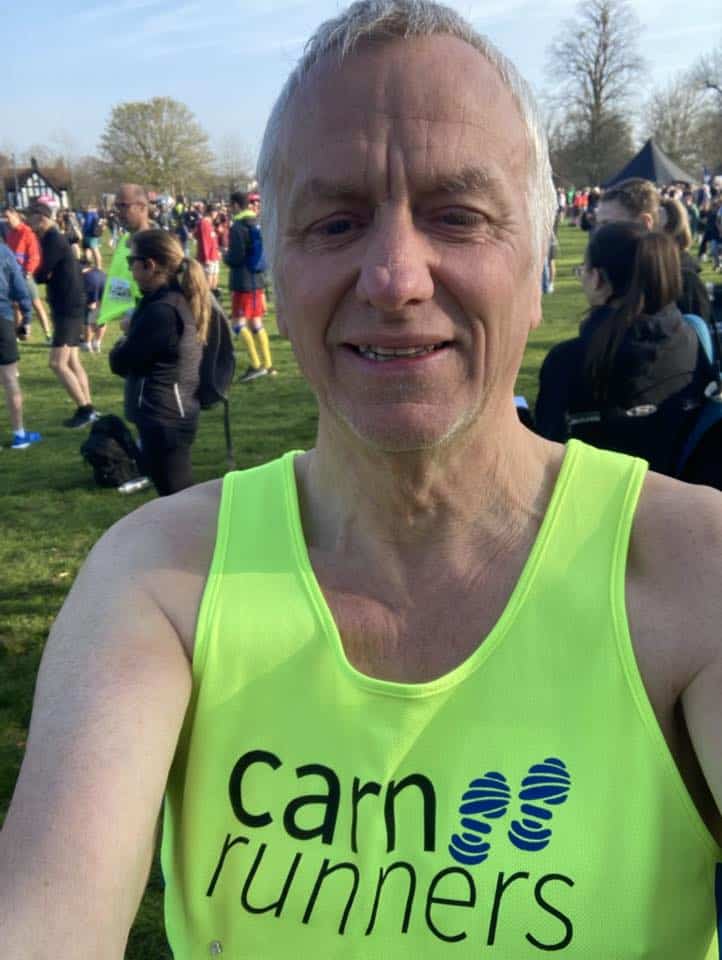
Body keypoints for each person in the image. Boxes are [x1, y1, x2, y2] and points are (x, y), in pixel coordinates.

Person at [1, 4, 721, 959]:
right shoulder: (160, 580)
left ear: (542, 259)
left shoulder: (691, 570)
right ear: (280, 271)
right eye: (335, 221)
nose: (393, 276)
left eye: (459, 215)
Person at [534, 222, 712, 472]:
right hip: (687, 488)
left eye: (583, 269)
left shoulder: (568, 360)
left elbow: (546, 453)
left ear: (597, 279)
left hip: (600, 491)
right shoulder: (693, 339)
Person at [108, 229, 208, 496]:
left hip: (165, 415)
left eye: (132, 261)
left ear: (150, 265)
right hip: (168, 409)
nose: (130, 269)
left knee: (177, 495)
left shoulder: (162, 310)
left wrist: (126, 335)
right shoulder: (166, 300)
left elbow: (122, 362)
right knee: (173, 492)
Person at [596, 177, 712, 321]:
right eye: (598, 224)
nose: (599, 232)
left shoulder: (682, 282)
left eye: (608, 224)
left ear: (645, 222)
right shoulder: (619, 274)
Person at [29, 202, 98, 429]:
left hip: (68, 307)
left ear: (42, 218)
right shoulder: (52, 238)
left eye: (31, 217)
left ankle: (85, 410)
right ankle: (89, 408)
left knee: (57, 363)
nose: (29, 222)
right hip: (70, 304)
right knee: (72, 360)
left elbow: (40, 273)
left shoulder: (53, 240)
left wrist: (39, 275)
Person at [225, 189, 276, 381]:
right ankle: (268, 365)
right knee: (256, 323)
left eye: (231, 205)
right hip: (257, 280)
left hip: (243, 282)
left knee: (237, 325)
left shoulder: (238, 227)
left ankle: (255, 365)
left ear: (236, 205)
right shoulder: (256, 222)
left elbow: (236, 257)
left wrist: (226, 257)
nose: (230, 209)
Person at [0, 243, 41, 448]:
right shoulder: (4, 252)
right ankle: (19, 433)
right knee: (9, 378)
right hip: (2, 318)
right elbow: (19, 285)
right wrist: (26, 316)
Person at [97, 184, 152, 331]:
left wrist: (136, 317)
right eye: (116, 206)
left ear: (142, 206)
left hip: (146, 320)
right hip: (130, 319)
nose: (118, 212)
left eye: (123, 206)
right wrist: (104, 309)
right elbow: (119, 279)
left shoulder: (154, 243)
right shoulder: (125, 239)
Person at [4, 207, 52, 341]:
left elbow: (34, 255)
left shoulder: (27, 233)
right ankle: (20, 334)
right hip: (13, 275)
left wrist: (29, 271)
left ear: (16, 216)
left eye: (8, 217)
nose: (6, 220)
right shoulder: (10, 234)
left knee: (36, 304)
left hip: (25, 275)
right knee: (16, 305)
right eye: (5, 217)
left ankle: (48, 334)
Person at [80, 260, 107, 353]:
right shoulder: (99, 271)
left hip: (91, 282)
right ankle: (97, 343)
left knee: (89, 316)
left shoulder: (81, 271)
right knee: (101, 316)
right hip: (104, 281)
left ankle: (87, 344)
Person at [195, 202, 221, 290]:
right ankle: (207, 296)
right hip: (208, 256)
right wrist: (206, 258)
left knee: (215, 275)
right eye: (215, 212)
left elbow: (212, 239)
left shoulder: (210, 223)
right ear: (211, 212)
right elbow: (204, 241)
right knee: (208, 278)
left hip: (214, 254)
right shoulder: (204, 223)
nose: (216, 214)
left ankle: (213, 295)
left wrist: (217, 251)